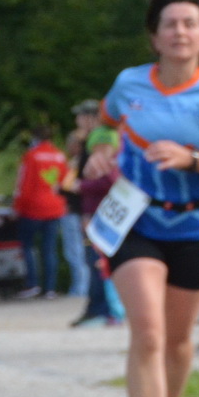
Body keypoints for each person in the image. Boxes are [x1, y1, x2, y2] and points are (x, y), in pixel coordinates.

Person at [86, 0, 199, 397]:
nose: (179, 31)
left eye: (190, 24)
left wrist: (192, 159)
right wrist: (99, 150)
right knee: (149, 333)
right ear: (155, 38)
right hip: (135, 221)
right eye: (170, 24)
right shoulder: (130, 83)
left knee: (177, 343)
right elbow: (103, 126)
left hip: (195, 224)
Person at [71, 121, 126, 328]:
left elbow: (111, 182)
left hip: (102, 219)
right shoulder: (101, 161)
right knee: (96, 264)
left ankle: (110, 310)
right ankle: (104, 309)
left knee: (101, 265)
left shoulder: (111, 162)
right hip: (92, 216)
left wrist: (82, 186)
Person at [12, 127, 69, 299]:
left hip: (33, 207)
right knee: (49, 249)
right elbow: (65, 181)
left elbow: (24, 184)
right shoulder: (59, 156)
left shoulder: (31, 156)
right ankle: (50, 288)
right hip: (55, 206)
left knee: (28, 246)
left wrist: (17, 207)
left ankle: (32, 284)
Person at [60, 100, 97, 301]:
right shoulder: (86, 143)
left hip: (88, 206)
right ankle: (90, 293)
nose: (77, 120)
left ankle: (87, 291)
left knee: (87, 251)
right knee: (85, 251)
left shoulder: (96, 142)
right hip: (83, 206)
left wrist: (79, 187)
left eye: (81, 116)